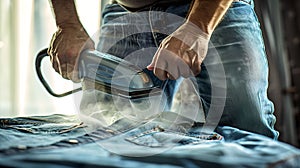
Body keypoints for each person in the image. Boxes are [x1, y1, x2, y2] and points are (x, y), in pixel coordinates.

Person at [48, 0, 279, 139]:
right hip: (126, 11)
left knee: (246, 127)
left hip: (213, 9)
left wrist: (197, 28)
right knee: (108, 130)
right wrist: (67, 24)